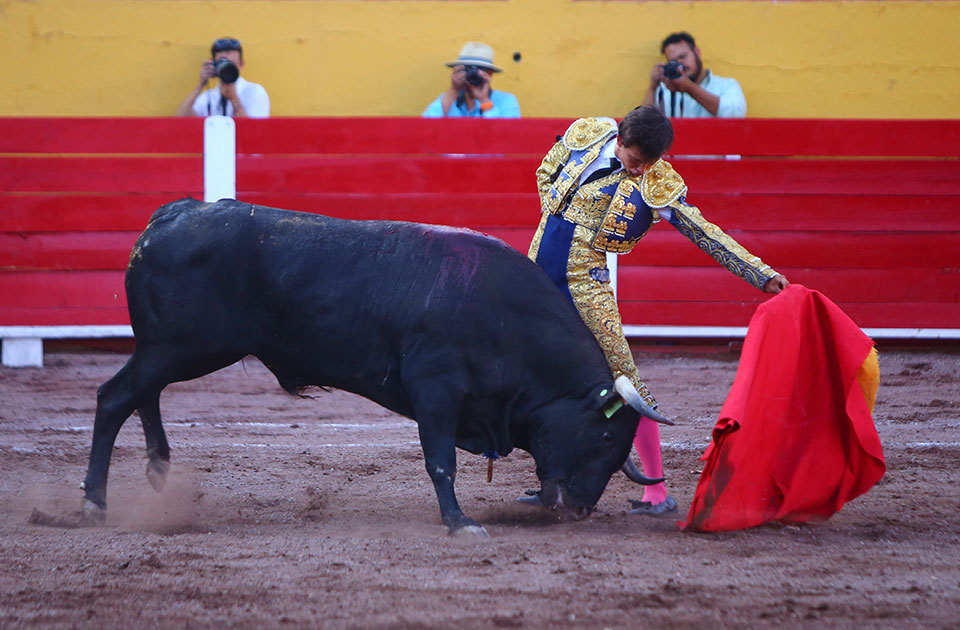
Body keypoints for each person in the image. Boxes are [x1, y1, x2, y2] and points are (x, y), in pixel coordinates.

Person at [525, 106, 788, 516]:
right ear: (622, 140)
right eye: (636, 160)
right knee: (538, 380)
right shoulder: (588, 134)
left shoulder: (654, 179)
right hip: (538, 276)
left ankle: (657, 492)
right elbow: (545, 174)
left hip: (585, 287)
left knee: (627, 384)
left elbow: (701, 230)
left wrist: (759, 273)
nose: (641, 170)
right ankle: (550, 482)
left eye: (650, 163)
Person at [641, 32, 746, 119]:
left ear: (697, 52)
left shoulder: (726, 85)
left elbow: (736, 114)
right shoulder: (664, 91)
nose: (680, 64)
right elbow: (642, 124)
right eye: (673, 62)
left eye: (682, 57)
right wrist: (653, 87)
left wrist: (689, 88)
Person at [176, 37, 270, 118]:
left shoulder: (254, 92)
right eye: (222, 63)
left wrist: (234, 99)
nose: (226, 68)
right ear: (213, 64)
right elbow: (181, 119)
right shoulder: (210, 96)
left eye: (231, 64)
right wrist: (201, 84)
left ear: (241, 64)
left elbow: (255, 131)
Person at [422, 42, 520, 118]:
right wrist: (453, 90)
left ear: (489, 74)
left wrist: (484, 100)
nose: (472, 74)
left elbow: (505, 135)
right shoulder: (447, 100)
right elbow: (424, 129)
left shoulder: (506, 101)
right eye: (467, 69)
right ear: (457, 70)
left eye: (479, 69)